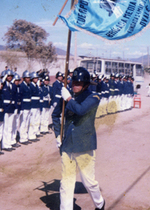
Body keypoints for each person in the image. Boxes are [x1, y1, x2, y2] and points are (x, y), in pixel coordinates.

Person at [52, 67, 105, 210]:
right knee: (67, 182)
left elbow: (80, 110)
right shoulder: (66, 97)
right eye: (73, 82)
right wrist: (58, 134)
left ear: (86, 85)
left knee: (88, 182)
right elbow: (55, 115)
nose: (75, 85)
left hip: (84, 145)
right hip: (67, 145)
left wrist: (68, 98)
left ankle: (99, 203)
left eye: (79, 83)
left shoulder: (93, 98)